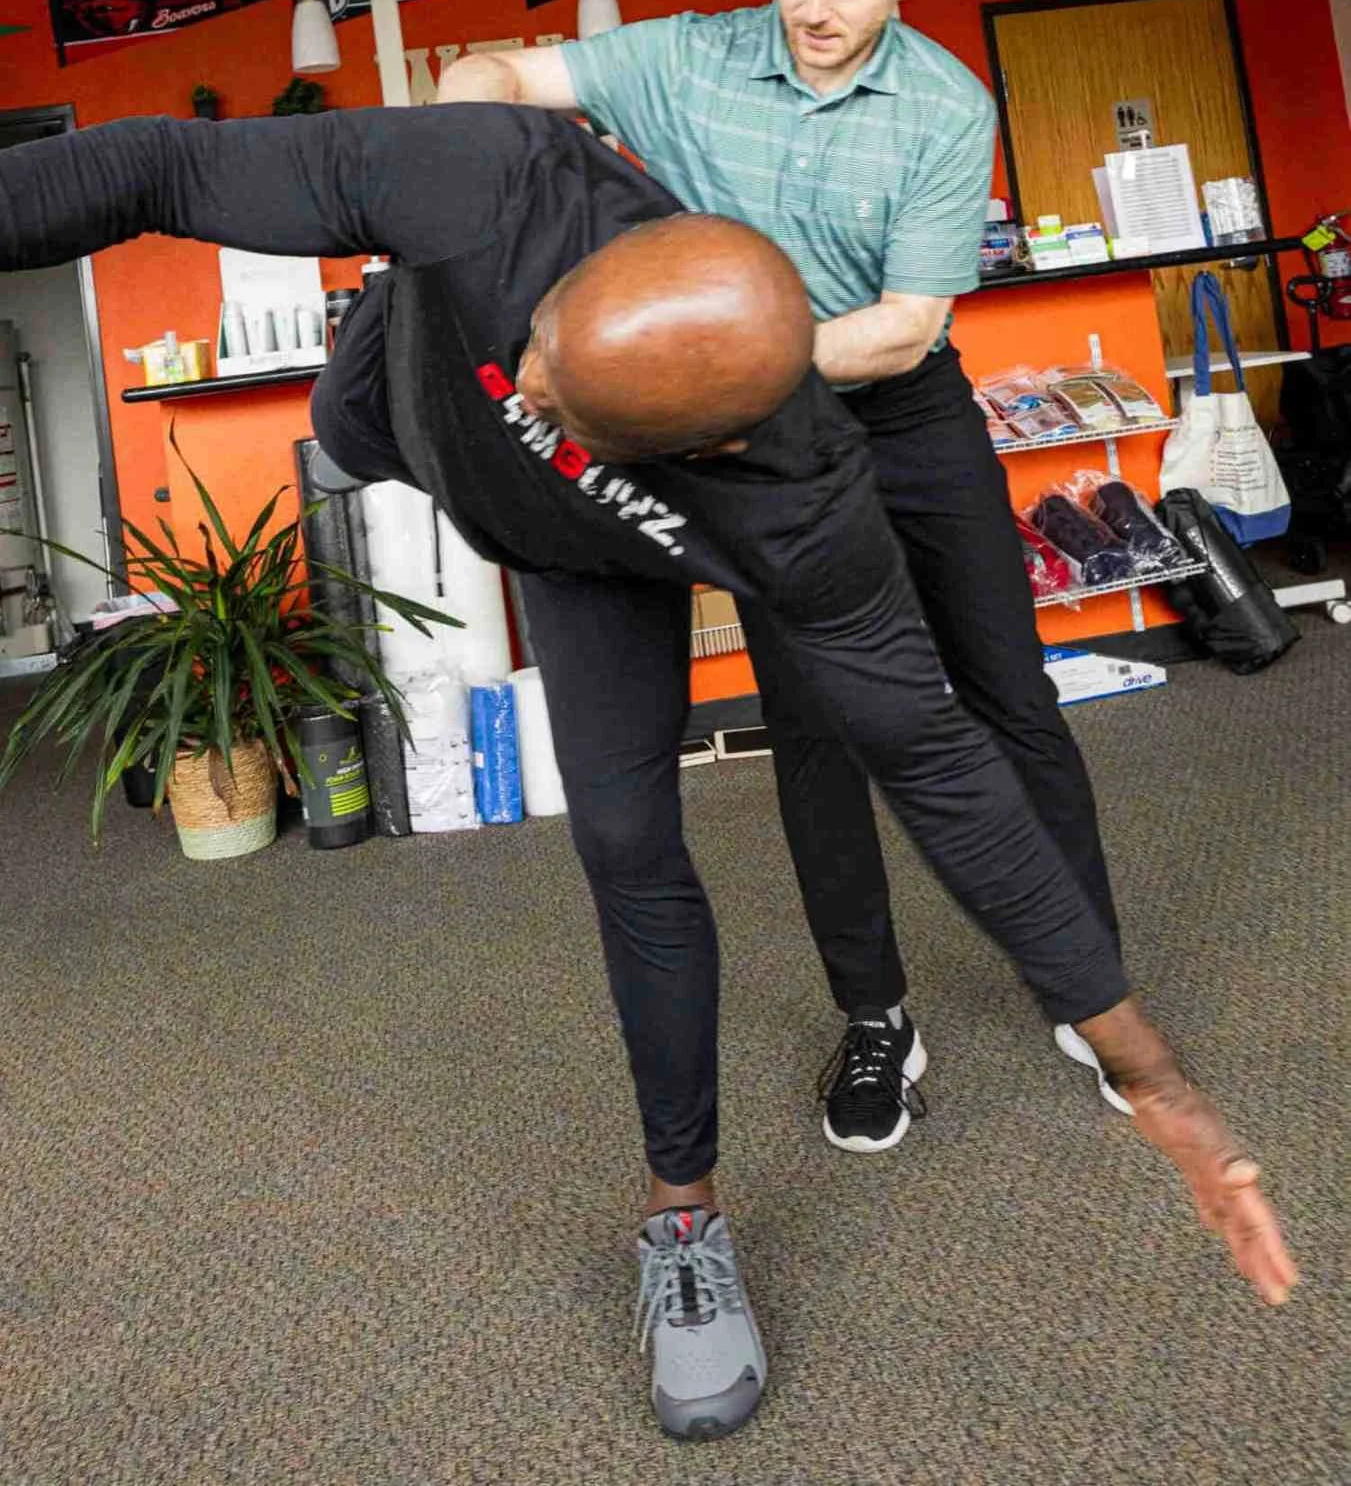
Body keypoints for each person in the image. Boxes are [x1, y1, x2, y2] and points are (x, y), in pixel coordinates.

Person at [0, 109, 1295, 1444]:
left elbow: (938, 767)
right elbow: (151, 165)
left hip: (599, 545)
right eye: (541, 360)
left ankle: (682, 1220)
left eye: (560, 405)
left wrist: (1155, 1080)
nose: (529, 394)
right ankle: (435, 365)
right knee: (379, 431)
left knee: (626, 837)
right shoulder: (489, 180)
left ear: (720, 449)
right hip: (425, 423)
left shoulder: (799, 501)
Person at [438, 0, 1131, 1154]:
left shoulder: (942, 105)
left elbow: (904, 327)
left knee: (1005, 696)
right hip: (766, 446)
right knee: (815, 734)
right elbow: (499, 68)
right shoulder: (686, 55)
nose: (812, 11)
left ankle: (1084, 986)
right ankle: (875, 1018)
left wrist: (690, 356)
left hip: (900, 409)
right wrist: (464, 131)